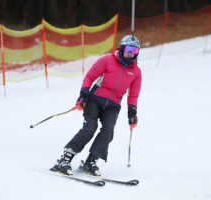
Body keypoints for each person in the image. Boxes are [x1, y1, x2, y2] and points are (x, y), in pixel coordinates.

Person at [50, 35, 142, 176]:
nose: (131, 53)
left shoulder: (136, 72)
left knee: (108, 131)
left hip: (113, 106)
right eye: (129, 49)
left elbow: (133, 96)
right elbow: (89, 77)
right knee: (90, 128)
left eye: (134, 50)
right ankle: (64, 159)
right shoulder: (107, 60)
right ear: (123, 48)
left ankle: (90, 162)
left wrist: (132, 112)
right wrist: (83, 95)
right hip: (94, 100)